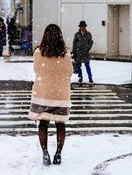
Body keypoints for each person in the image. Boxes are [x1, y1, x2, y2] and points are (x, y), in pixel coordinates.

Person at [28, 24, 73, 166]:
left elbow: (37, 71)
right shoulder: (65, 54)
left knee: (43, 123)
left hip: (43, 93)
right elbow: (69, 73)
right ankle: (58, 153)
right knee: (60, 124)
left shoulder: (38, 53)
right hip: (60, 94)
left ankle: (45, 152)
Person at [72, 20, 94, 85]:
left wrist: (88, 48)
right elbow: (74, 44)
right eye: (81, 26)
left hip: (86, 53)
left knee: (87, 66)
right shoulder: (77, 34)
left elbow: (91, 42)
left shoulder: (88, 34)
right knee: (78, 66)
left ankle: (90, 79)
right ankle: (80, 78)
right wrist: (74, 53)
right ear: (80, 27)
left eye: (84, 26)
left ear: (85, 27)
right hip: (78, 53)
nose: (82, 28)